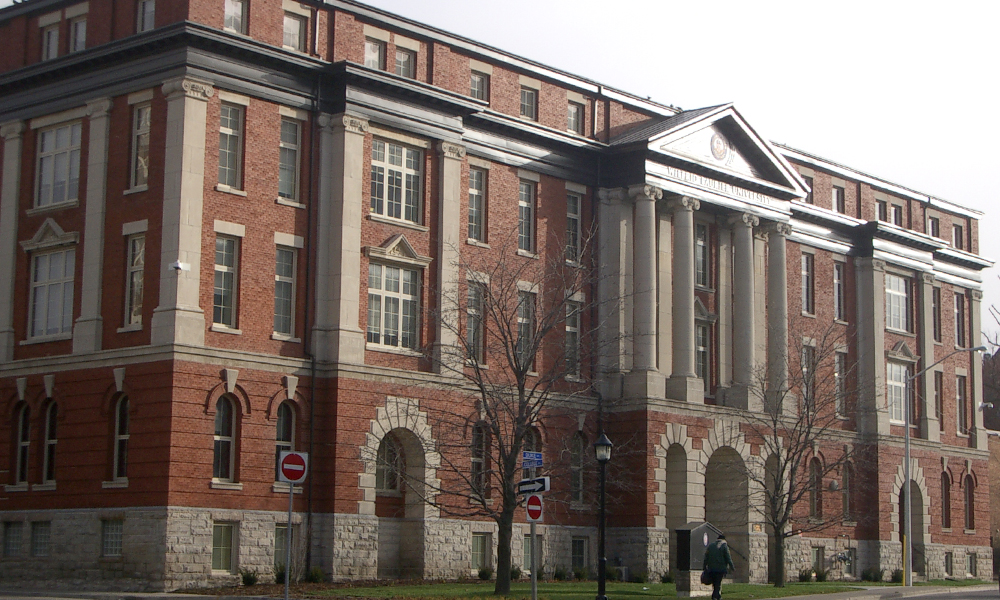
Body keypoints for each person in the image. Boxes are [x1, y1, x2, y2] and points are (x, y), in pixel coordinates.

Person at [702, 533, 734, 600]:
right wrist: (732, 566)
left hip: (711, 568)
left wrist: (704, 566)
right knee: (718, 583)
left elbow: (706, 557)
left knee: (714, 583)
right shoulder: (724, 546)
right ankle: (714, 596)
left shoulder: (711, 546)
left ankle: (718, 596)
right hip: (720, 568)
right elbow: (728, 557)